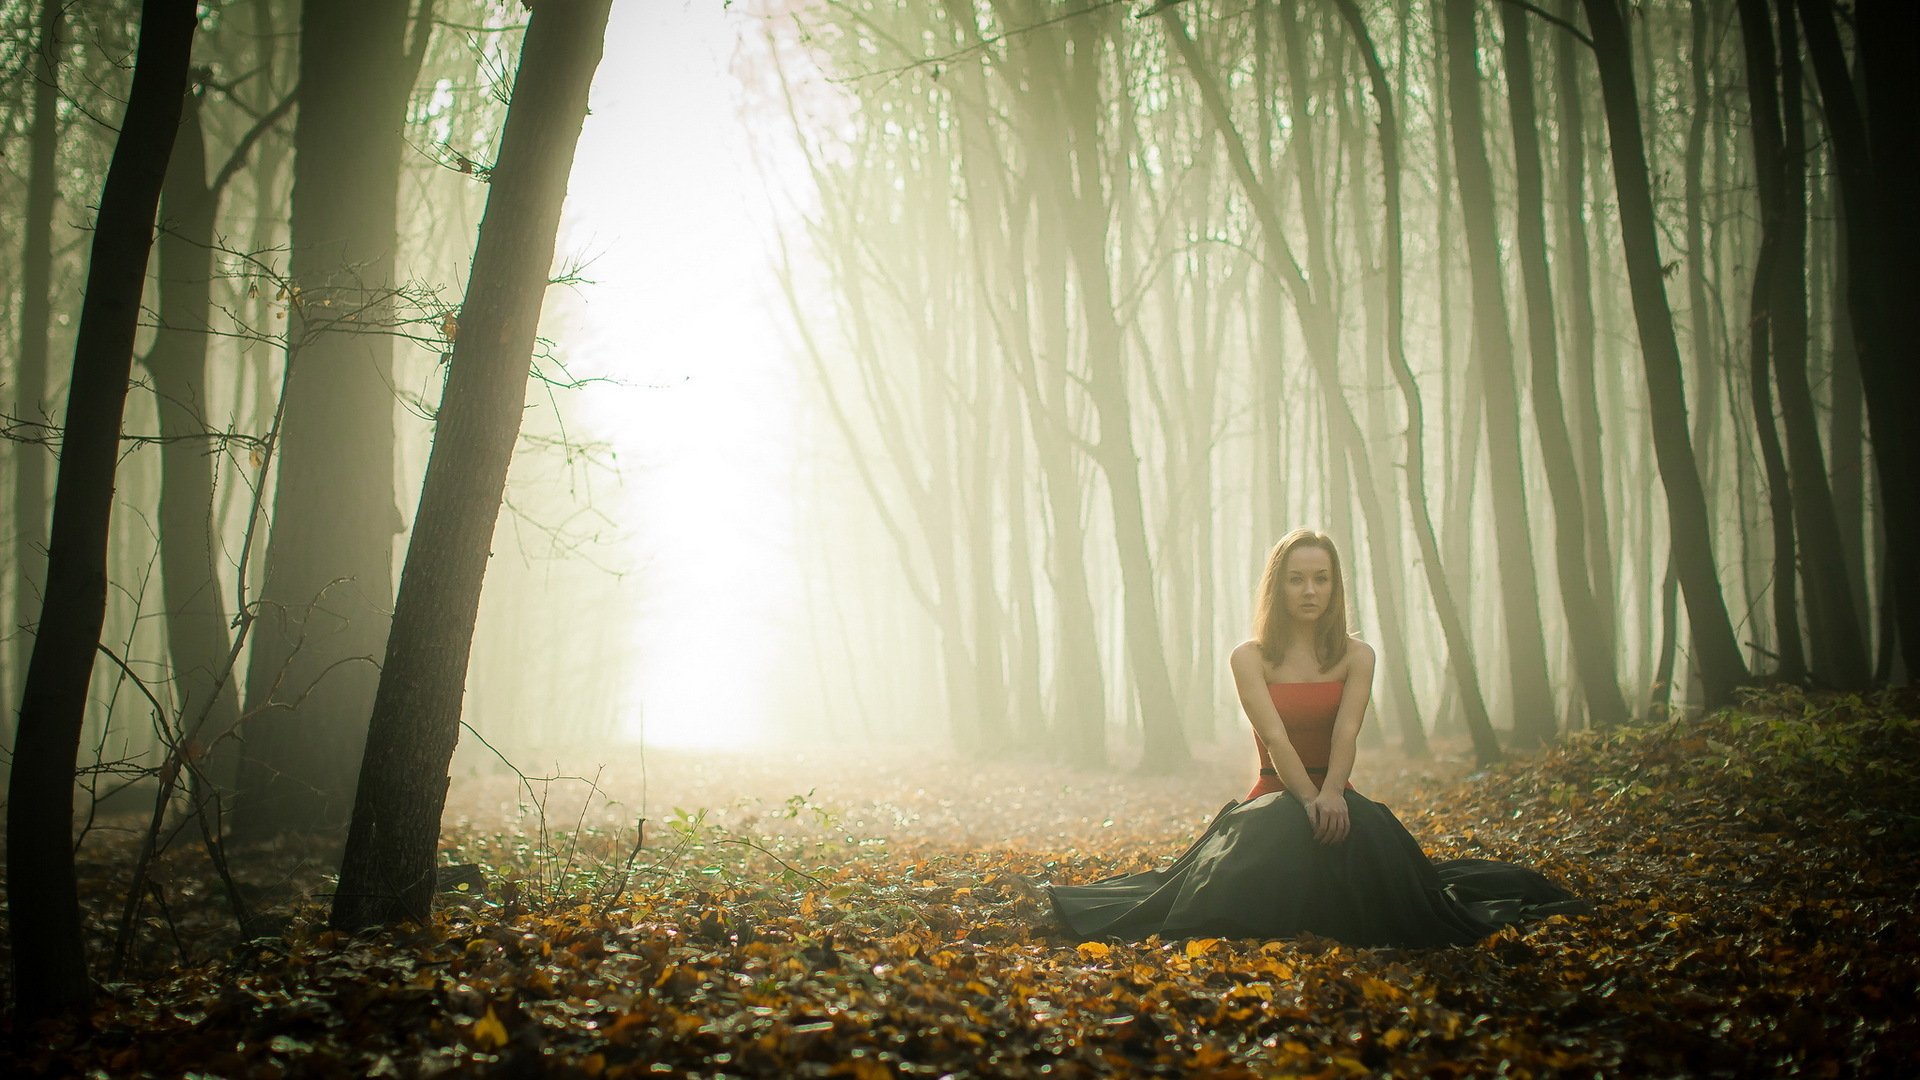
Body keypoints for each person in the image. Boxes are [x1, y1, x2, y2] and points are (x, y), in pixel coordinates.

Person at [1045, 529, 1588, 947]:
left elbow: (1347, 734)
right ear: (1277, 586)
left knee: (1398, 895)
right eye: (1297, 579)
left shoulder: (1357, 655)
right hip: (1273, 796)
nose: (1310, 590)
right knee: (1244, 876)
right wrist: (1308, 800)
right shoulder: (1250, 657)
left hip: (1337, 795)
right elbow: (1275, 737)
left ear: (1335, 586)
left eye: (1321, 578)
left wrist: (1331, 796)